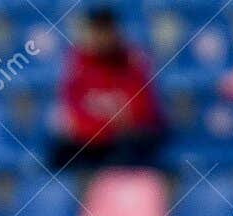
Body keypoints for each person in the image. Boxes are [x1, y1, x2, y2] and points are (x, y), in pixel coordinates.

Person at [46, 7, 166, 174]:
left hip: (124, 142)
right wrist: (108, 122)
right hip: (90, 141)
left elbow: (141, 111)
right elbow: (74, 113)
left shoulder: (132, 62)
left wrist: (105, 120)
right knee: (58, 154)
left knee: (132, 149)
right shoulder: (77, 63)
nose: (102, 38)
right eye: (97, 31)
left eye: (106, 31)